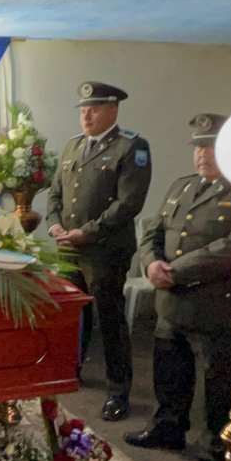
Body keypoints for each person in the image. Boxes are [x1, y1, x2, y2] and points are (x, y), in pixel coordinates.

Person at [124, 113, 231, 461]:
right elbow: (153, 231)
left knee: (220, 385)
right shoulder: (182, 187)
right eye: (198, 146)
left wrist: (174, 271)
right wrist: (150, 264)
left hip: (215, 303)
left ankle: (220, 459)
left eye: (211, 146)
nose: (202, 154)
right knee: (170, 368)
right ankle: (168, 428)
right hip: (172, 298)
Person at [47, 81, 152, 421]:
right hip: (68, 248)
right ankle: (69, 370)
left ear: (113, 110)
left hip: (104, 249)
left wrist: (86, 232)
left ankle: (118, 388)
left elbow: (129, 203)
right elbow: (55, 195)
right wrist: (54, 226)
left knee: (109, 318)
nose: (86, 115)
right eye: (82, 109)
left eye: (93, 109)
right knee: (71, 314)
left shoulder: (131, 147)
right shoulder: (73, 146)